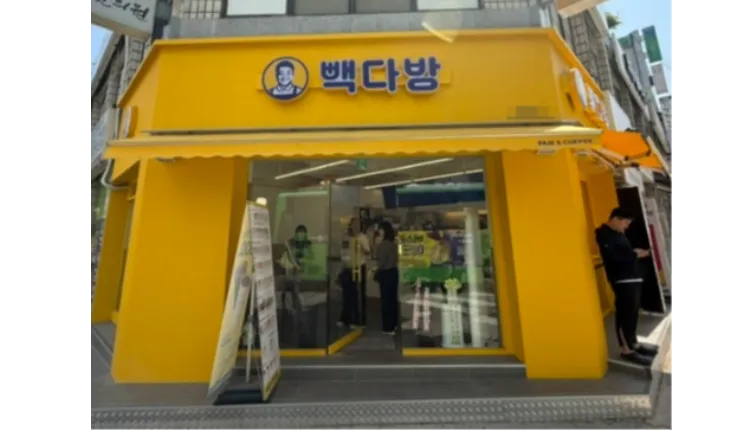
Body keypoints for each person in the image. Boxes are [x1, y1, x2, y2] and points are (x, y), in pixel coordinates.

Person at [595, 207, 658, 366]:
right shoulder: (603, 233)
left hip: (632, 277)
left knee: (633, 314)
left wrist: (634, 252)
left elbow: (624, 252)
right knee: (625, 314)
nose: (627, 226)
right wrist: (636, 254)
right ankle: (626, 350)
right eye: (625, 223)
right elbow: (613, 256)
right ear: (615, 218)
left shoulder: (618, 233)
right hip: (621, 280)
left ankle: (633, 344)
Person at [338, 217, 371, 328]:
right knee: (347, 295)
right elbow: (343, 252)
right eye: (354, 224)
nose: (356, 227)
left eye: (358, 225)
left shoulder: (363, 238)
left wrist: (361, 249)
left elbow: (368, 253)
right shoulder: (346, 237)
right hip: (348, 268)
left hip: (359, 268)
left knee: (358, 295)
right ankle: (345, 319)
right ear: (350, 225)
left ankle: (358, 320)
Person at [375, 221, 400, 335]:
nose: (379, 231)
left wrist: (375, 270)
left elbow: (381, 261)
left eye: (380, 229)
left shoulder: (383, 244)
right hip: (394, 272)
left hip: (385, 273)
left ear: (384, 230)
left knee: (386, 301)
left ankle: (387, 327)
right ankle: (394, 324)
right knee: (392, 300)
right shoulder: (394, 243)